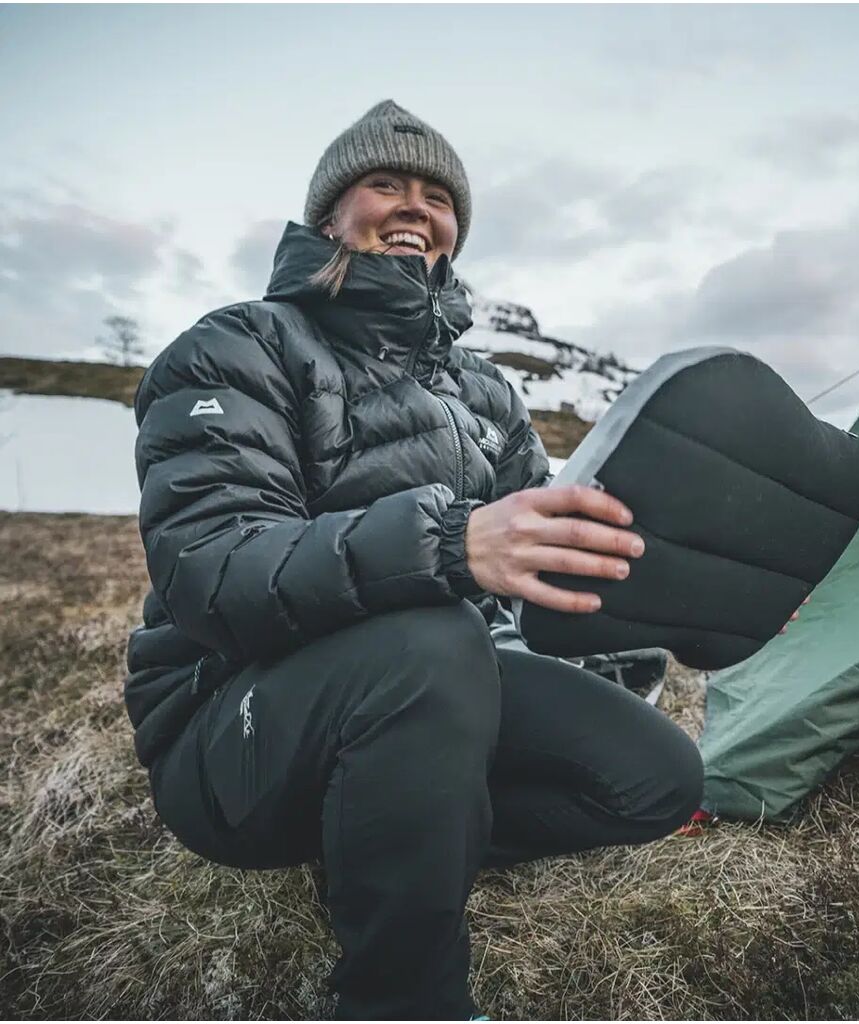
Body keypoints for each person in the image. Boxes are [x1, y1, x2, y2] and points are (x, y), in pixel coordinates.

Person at [125, 100, 704, 1021]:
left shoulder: (483, 390)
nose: (413, 208)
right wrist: (449, 543)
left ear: (454, 231)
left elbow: (550, 553)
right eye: (384, 184)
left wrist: (704, 596)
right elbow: (214, 570)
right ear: (329, 215)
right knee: (431, 635)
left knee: (656, 777)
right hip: (228, 729)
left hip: (430, 693)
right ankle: (399, 997)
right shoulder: (237, 348)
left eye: (437, 197)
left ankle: (384, 837)